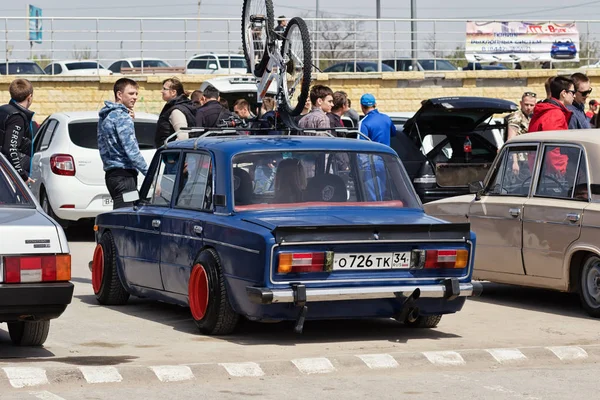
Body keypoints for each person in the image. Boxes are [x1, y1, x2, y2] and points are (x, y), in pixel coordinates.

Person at [98, 78, 148, 209]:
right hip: (125, 177)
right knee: (126, 216)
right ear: (119, 95)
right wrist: (149, 174)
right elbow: (132, 151)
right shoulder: (122, 117)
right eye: (131, 94)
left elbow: (102, 146)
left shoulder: (106, 115)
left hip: (112, 176)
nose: (135, 97)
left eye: (136, 94)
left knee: (122, 214)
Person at [528, 76, 575, 177]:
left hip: (540, 171)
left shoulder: (546, 111)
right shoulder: (555, 114)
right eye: (572, 92)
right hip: (551, 174)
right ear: (563, 93)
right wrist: (562, 171)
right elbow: (554, 148)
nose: (574, 96)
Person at [0, 78, 35, 183]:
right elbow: (11, 149)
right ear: (29, 97)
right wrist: (23, 176)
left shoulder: (4, 109)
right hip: (10, 175)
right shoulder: (17, 118)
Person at [154, 78, 196, 148]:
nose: (162, 91)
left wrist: (171, 152)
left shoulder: (176, 110)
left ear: (173, 92)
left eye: (164, 89)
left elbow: (183, 137)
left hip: (171, 155)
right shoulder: (173, 106)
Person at [505, 92, 536, 174]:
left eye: (532, 105)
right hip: (519, 160)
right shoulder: (516, 117)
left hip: (528, 159)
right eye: (526, 104)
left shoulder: (531, 117)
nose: (529, 107)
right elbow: (511, 140)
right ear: (521, 103)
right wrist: (514, 162)